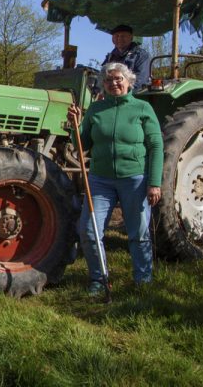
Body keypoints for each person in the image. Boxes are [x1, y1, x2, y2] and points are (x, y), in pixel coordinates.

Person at [67, 62, 163, 294]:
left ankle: (143, 280)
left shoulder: (142, 108)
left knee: (138, 233)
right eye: (108, 80)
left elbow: (156, 146)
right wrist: (75, 126)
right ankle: (99, 280)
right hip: (101, 180)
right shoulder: (97, 110)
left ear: (129, 81)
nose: (114, 83)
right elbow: (83, 144)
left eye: (118, 78)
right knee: (88, 230)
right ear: (103, 84)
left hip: (135, 179)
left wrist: (154, 183)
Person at [102, 24, 151, 91]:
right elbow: (102, 77)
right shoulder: (109, 57)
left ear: (131, 37)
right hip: (111, 95)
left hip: (133, 96)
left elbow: (140, 82)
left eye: (123, 36)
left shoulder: (141, 55)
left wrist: (121, 92)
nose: (119, 38)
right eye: (116, 36)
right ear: (112, 38)